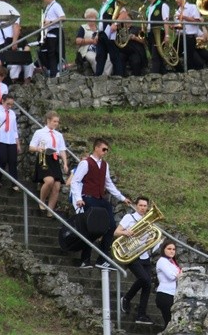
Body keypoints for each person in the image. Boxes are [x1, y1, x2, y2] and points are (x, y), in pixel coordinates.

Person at [70, 138, 132, 268]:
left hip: (99, 199)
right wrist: (78, 199)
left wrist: (121, 197)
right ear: (96, 148)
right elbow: (75, 181)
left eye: (107, 150)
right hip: (88, 198)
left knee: (111, 227)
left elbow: (108, 183)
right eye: (104, 149)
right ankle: (85, 259)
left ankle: (102, 258)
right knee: (91, 228)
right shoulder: (86, 163)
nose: (105, 152)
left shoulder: (105, 165)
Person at [115, 196, 155, 325]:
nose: (143, 208)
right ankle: (126, 298)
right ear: (136, 206)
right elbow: (116, 232)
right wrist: (126, 232)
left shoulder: (148, 221)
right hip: (131, 254)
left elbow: (148, 238)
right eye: (141, 205)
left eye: (145, 206)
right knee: (144, 279)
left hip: (144, 254)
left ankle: (141, 315)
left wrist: (151, 241)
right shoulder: (129, 218)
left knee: (148, 285)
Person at [29, 111, 69, 217]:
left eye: (57, 122)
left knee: (56, 185)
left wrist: (65, 163)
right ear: (48, 121)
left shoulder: (59, 135)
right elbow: (31, 147)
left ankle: (50, 209)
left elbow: (62, 150)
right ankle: (42, 201)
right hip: (43, 157)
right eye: (54, 121)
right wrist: (39, 148)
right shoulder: (39, 132)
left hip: (54, 159)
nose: (56, 124)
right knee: (49, 180)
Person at [95, 0, 125, 77]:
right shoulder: (104, 5)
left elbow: (124, 14)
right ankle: (98, 75)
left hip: (111, 33)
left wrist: (115, 24)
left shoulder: (115, 2)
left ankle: (119, 75)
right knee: (100, 55)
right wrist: (97, 33)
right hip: (102, 33)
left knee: (114, 55)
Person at [75, 7, 112, 75]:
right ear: (86, 18)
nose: (91, 19)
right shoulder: (83, 27)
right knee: (94, 58)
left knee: (109, 58)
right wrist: (91, 41)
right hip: (88, 50)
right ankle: (100, 76)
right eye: (89, 17)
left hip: (101, 49)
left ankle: (106, 75)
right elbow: (78, 41)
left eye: (93, 17)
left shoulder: (100, 29)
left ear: (96, 18)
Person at [173, 0, 203, 71]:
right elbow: (177, 26)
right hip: (180, 36)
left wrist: (184, 17)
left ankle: (189, 75)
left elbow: (197, 21)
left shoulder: (192, 7)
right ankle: (181, 72)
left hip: (189, 37)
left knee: (189, 58)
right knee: (172, 55)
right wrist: (172, 26)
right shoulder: (178, 10)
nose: (176, 0)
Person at [145, 0, 172, 74]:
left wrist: (167, 35)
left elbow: (166, 21)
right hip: (150, 34)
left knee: (155, 56)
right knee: (157, 56)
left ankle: (153, 76)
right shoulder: (149, 7)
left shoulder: (163, 5)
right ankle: (164, 75)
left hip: (159, 33)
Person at [156, 239, 181, 330]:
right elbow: (171, 276)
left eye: (173, 249)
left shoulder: (172, 262)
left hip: (172, 294)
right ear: (163, 249)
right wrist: (180, 275)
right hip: (164, 294)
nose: (172, 251)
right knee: (169, 322)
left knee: (171, 323)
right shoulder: (162, 261)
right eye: (169, 249)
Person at [41, 0, 66, 78]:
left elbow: (63, 17)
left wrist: (50, 22)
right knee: (49, 53)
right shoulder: (48, 6)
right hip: (49, 31)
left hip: (55, 31)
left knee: (53, 53)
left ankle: (55, 73)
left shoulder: (56, 6)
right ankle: (52, 71)